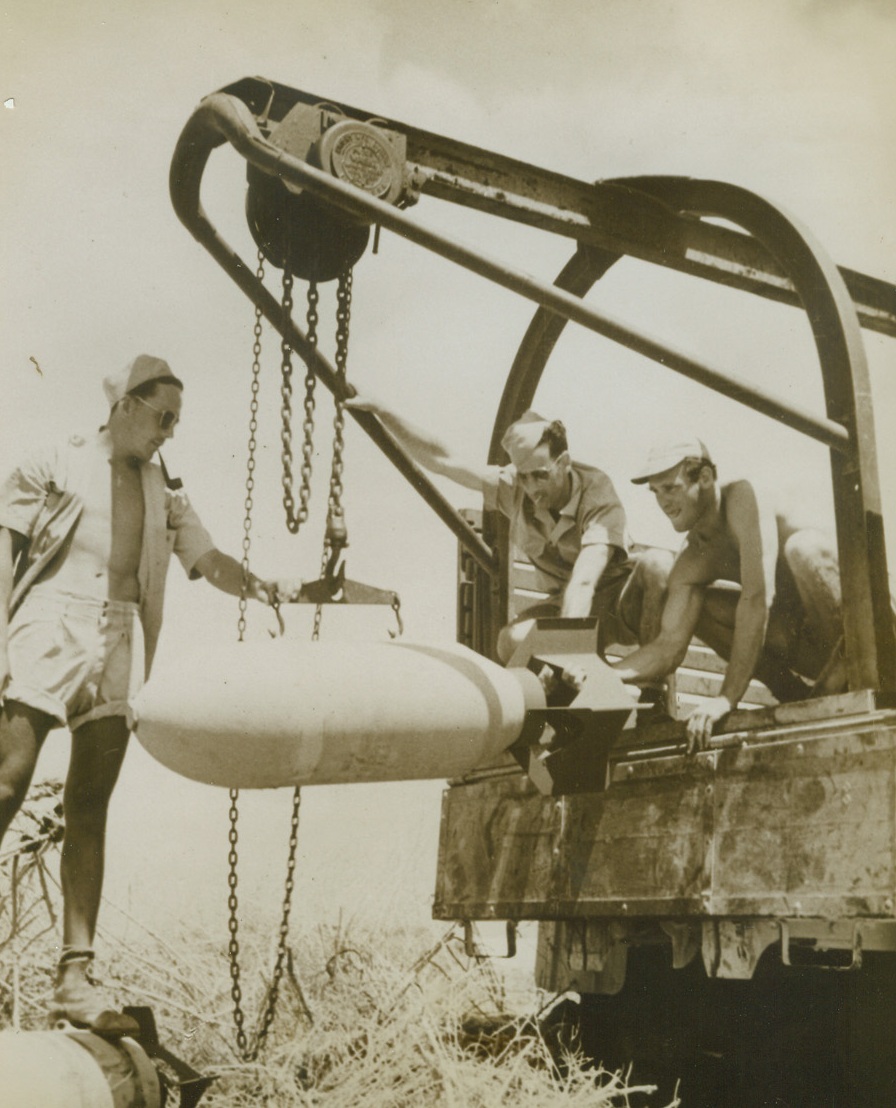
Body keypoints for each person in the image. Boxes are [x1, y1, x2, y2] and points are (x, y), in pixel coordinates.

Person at [0, 355, 295, 1028]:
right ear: (125, 405)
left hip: (122, 636)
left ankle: (76, 976)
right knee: (7, 781)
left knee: (91, 805)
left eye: (177, 422)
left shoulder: (167, 490)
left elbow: (207, 560)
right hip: (51, 619)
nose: (169, 432)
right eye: (163, 417)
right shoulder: (55, 460)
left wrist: (263, 585)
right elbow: (6, 543)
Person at [349, 397, 672, 665]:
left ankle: (652, 692)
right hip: (569, 607)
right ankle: (571, 694)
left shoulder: (596, 491)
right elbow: (444, 460)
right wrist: (382, 410)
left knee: (658, 564)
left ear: (564, 462)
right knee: (511, 640)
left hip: (622, 600)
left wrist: (571, 651)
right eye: (524, 476)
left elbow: (587, 578)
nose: (531, 488)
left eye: (540, 475)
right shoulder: (514, 486)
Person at [611, 435, 847, 752]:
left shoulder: (745, 498)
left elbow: (757, 598)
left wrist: (725, 698)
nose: (663, 502)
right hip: (809, 648)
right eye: (656, 492)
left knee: (803, 550)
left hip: (863, 640)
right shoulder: (691, 559)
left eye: (670, 487)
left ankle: (847, 676)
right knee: (702, 607)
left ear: (705, 478)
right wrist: (605, 675)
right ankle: (793, 693)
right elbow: (667, 646)